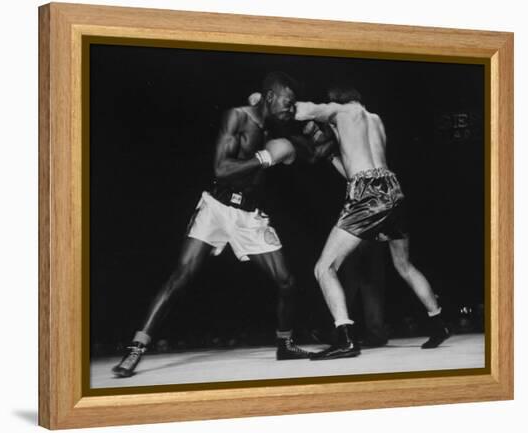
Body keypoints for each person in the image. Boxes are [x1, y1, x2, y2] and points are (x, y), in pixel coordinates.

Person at [111, 72, 311, 378]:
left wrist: (301, 136)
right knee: (181, 276)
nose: (291, 108)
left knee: (286, 281)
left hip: (248, 215)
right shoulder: (236, 117)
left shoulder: (272, 122)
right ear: (271, 96)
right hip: (216, 208)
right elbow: (222, 168)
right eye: (287, 101)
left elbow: (299, 132)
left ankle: (284, 345)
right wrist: (266, 158)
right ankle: (136, 348)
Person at [293, 85, 450, 360]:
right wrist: (331, 155)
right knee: (404, 265)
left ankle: (345, 338)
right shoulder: (376, 120)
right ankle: (439, 324)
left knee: (324, 267)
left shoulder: (339, 111)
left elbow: (302, 110)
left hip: (368, 193)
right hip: (392, 188)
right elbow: (357, 167)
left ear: (336, 100)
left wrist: (267, 101)